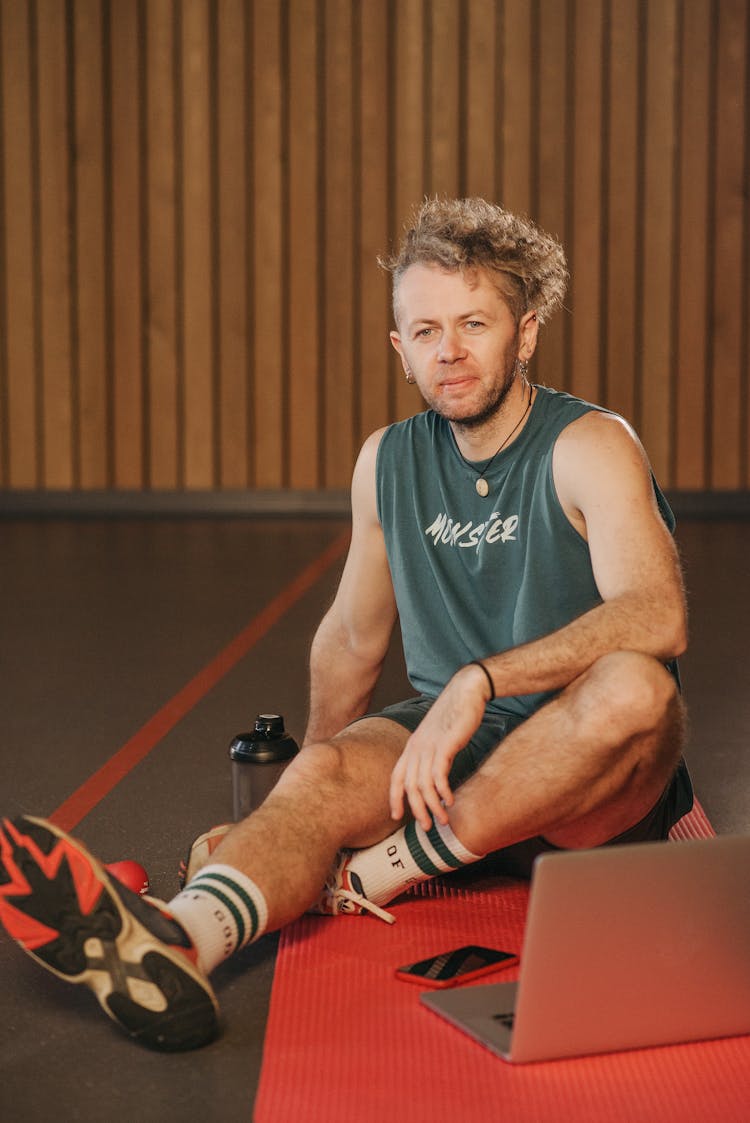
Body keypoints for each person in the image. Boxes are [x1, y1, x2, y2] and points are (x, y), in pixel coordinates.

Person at [0, 197, 693, 1052]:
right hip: (447, 772)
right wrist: (315, 797)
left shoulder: (588, 443)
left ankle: (381, 870)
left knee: (636, 685)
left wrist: (480, 680)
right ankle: (177, 940)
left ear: (526, 333)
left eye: (475, 323)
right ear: (400, 349)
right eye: (428, 329)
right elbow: (353, 638)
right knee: (321, 770)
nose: (451, 350)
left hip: (583, 788)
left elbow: (658, 613)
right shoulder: (387, 460)